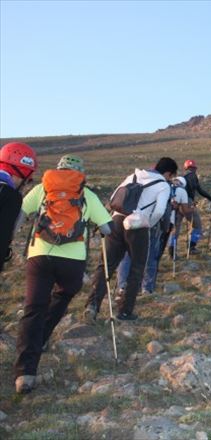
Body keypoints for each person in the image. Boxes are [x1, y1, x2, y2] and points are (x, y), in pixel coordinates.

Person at [14, 155, 112, 394]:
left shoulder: (42, 188)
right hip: (73, 260)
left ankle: (25, 373)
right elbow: (108, 228)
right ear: (80, 173)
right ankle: (44, 335)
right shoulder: (86, 194)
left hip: (40, 255)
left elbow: (20, 215)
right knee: (65, 293)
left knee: (33, 307)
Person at [85, 157, 177, 322]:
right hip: (138, 225)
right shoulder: (163, 185)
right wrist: (148, 224)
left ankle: (92, 305)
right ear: (168, 173)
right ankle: (125, 311)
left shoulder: (132, 176)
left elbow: (114, 197)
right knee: (137, 268)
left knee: (106, 265)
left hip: (116, 221)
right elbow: (159, 211)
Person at [0, 142, 37, 273]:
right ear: (22, 171)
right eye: (28, 178)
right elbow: (2, 235)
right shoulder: (11, 196)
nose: (27, 183)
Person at [181, 160, 211, 255]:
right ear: (194, 168)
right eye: (194, 168)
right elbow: (199, 190)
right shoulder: (193, 176)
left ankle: (172, 250)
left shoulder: (181, 177)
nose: (194, 170)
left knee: (176, 227)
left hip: (178, 203)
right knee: (197, 226)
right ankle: (191, 247)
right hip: (188, 202)